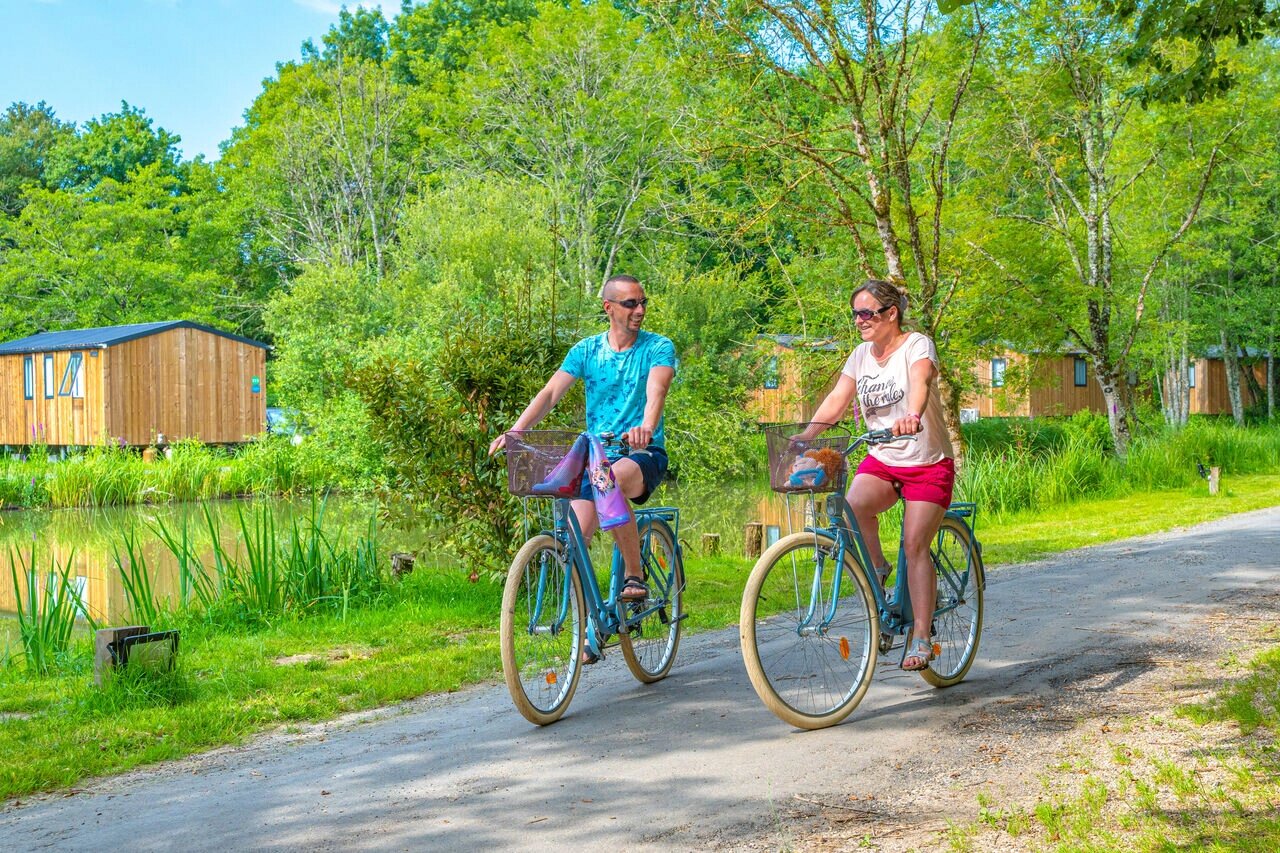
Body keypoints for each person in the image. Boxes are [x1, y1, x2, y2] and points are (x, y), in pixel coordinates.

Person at [489, 274, 676, 659]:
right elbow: (550, 393)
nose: (639, 310)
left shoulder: (657, 347)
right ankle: (594, 622)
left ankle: (634, 573)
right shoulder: (587, 351)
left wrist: (646, 426)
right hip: (595, 458)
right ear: (609, 308)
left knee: (610, 480)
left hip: (640, 454)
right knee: (574, 537)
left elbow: (656, 391)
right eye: (630, 303)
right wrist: (517, 431)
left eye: (642, 302)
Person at [795, 278, 956, 671]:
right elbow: (837, 399)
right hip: (883, 459)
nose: (859, 321)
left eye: (866, 313)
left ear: (891, 313)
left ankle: (921, 636)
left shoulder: (917, 345)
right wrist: (806, 435)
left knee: (915, 545)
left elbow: (920, 381)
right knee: (852, 508)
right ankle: (879, 569)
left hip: (926, 461)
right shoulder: (860, 355)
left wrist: (913, 415)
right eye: (855, 314)